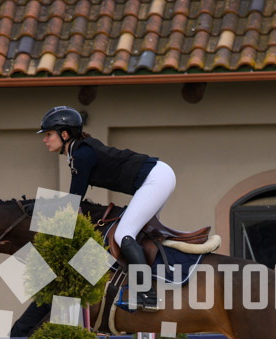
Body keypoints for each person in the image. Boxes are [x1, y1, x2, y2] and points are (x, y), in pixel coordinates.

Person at [37, 105, 176, 310]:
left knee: (123, 234)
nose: (45, 139)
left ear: (64, 134)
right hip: (158, 176)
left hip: (155, 179)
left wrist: (37, 209)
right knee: (139, 234)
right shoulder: (78, 151)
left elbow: (73, 202)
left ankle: (147, 294)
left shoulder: (81, 155)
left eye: (49, 134)